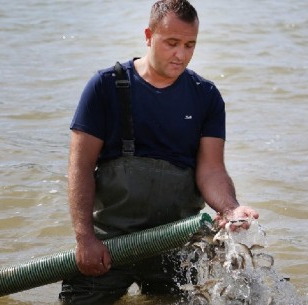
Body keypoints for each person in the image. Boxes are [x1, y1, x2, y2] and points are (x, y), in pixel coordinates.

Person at [59, 0, 259, 304]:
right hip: (109, 244)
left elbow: (212, 170)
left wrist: (230, 209)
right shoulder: (105, 86)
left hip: (175, 244)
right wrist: (84, 238)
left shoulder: (206, 96)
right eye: (172, 43)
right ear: (149, 35)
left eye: (190, 45)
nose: (181, 54)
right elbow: (80, 167)